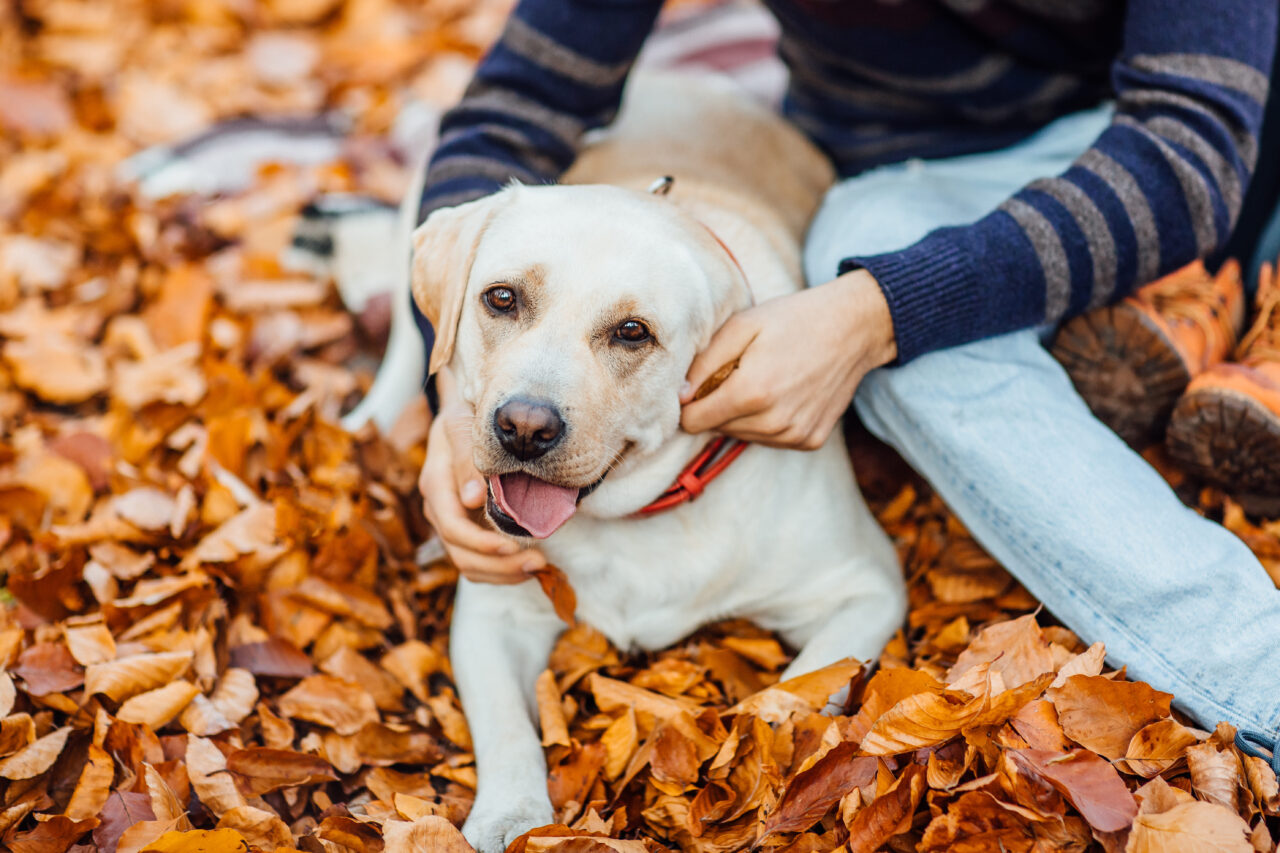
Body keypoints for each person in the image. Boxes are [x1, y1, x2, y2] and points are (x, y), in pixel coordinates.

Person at [412, 0, 1280, 770]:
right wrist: (456, 385)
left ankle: (1259, 675)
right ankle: (1192, 296)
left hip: (1200, 144)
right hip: (907, 173)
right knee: (860, 246)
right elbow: (514, 110)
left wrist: (879, 310)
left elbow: (1188, 147)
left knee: (868, 265)